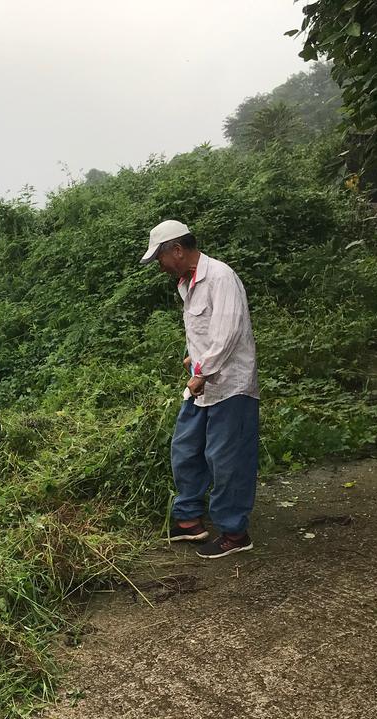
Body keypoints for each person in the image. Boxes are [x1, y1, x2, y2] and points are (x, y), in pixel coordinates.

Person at [140, 220, 259, 559]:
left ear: (177, 250)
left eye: (160, 258)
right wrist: (194, 357)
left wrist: (202, 371)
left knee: (226, 458)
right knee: (186, 448)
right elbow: (206, 332)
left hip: (231, 386)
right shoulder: (186, 283)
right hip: (204, 382)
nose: (159, 265)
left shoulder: (220, 277)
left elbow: (228, 331)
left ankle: (235, 533)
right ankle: (189, 519)